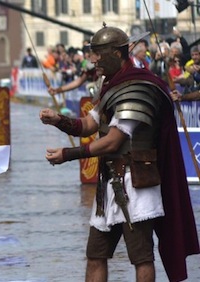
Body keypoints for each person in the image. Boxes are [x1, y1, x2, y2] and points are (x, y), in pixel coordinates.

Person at [40, 24, 199, 282]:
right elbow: (90, 125)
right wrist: (59, 120)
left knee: (141, 257)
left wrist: (68, 155)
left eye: (98, 53)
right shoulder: (112, 85)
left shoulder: (138, 88)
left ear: (116, 53)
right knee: (95, 254)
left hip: (136, 185)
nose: (93, 60)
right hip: (108, 185)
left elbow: (113, 141)